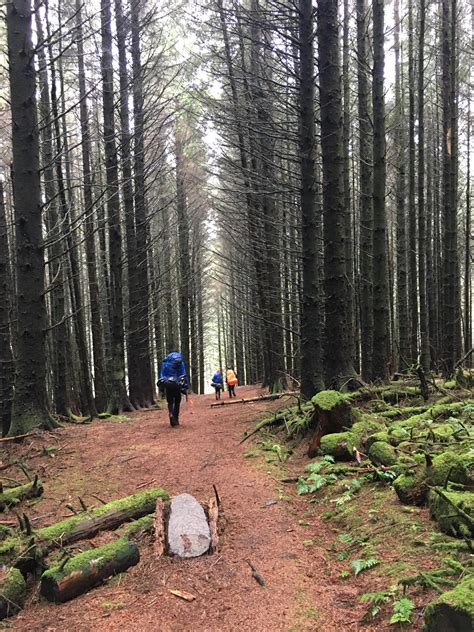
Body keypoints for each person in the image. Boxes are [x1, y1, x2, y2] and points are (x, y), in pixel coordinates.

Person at [158, 351, 189, 427]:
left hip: (168, 384)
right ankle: (176, 419)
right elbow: (183, 374)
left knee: (170, 401)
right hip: (177, 384)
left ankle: (171, 413)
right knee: (177, 401)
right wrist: (185, 385)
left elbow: (162, 374)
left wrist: (164, 383)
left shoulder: (165, 363)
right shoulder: (180, 363)